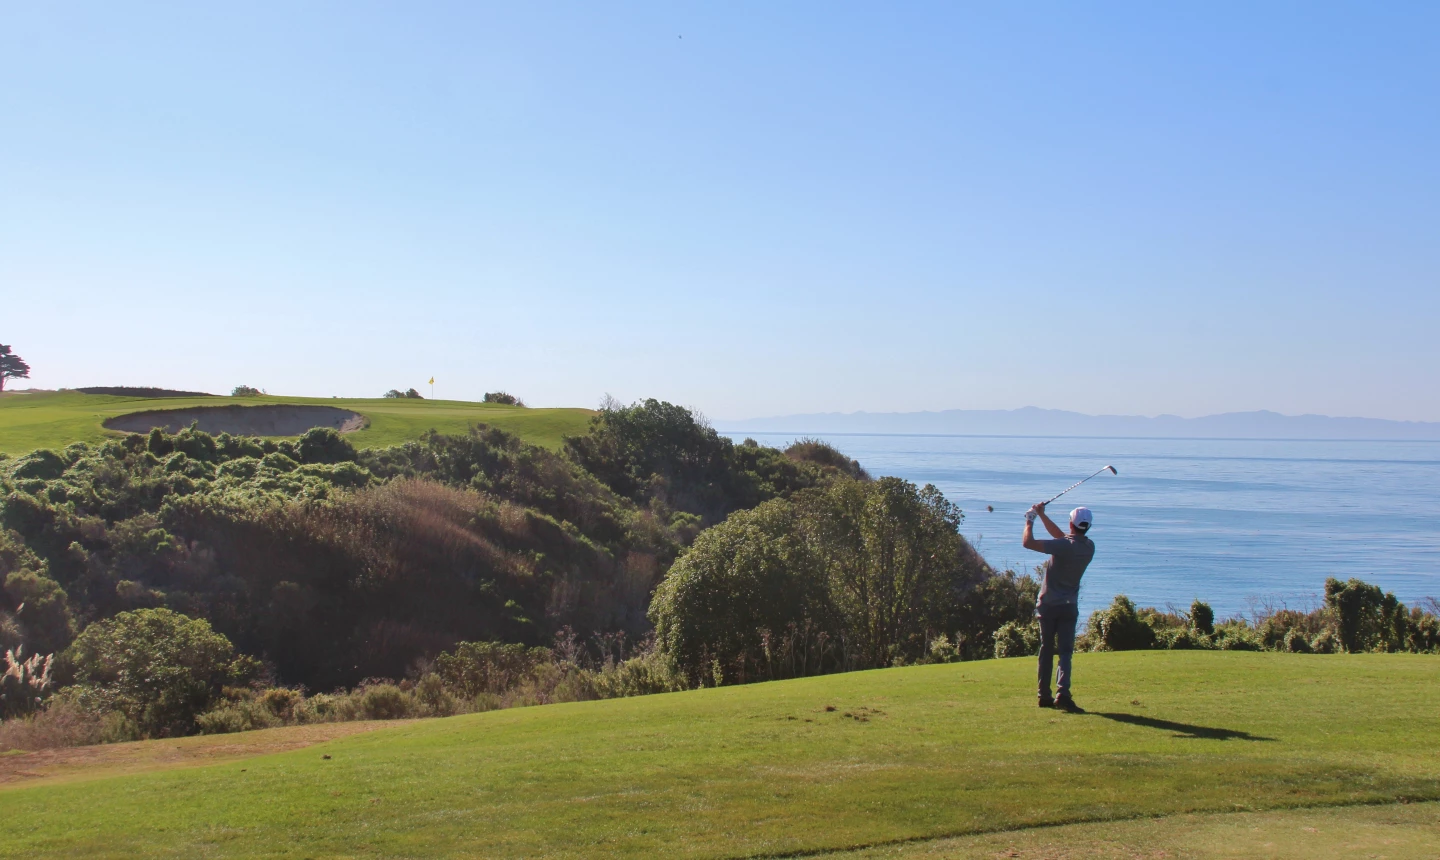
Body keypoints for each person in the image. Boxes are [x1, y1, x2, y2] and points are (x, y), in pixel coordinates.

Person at [1022, 502, 1095, 712]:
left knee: (1046, 649)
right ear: (1087, 527)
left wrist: (1030, 521)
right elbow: (1063, 538)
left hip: (1048, 606)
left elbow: (1028, 543)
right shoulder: (1088, 547)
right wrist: (1042, 515)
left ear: (1071, 524)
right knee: (1065, 652)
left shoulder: (1064, 546)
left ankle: (1044, 695)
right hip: (1069, 607)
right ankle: (1063, 693)